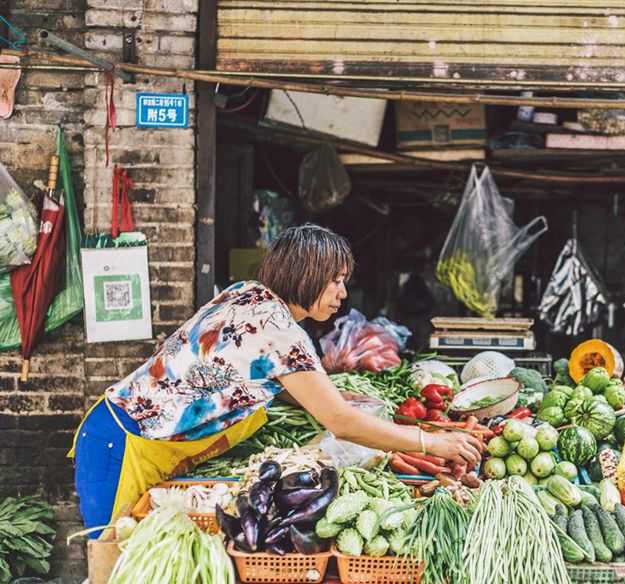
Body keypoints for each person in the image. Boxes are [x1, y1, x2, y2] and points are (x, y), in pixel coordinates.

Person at [71, 224, 483, 533]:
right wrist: (433, 441)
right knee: (113, 559)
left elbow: (242, 375)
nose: (342, 293)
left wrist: (325, 394)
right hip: (122, 446)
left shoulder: (247, 294)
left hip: (124, 434)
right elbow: (341, 424)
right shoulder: (282, 334)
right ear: (306, 273)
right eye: (335, 280)